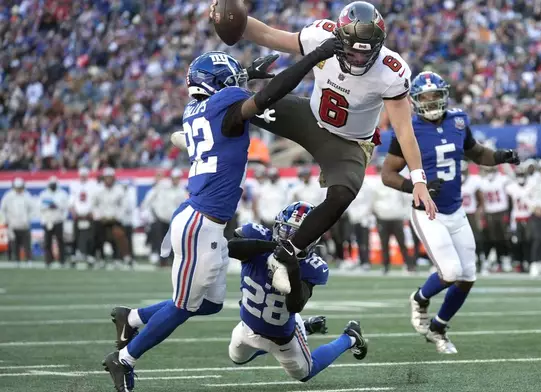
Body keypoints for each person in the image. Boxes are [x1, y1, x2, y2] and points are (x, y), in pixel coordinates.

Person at [102, 39, 343, 392]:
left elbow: (229, 100)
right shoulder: (225, 103)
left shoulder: (196, 110)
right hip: (201, 220)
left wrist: (248, 73)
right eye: (232, 82)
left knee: (210, 305)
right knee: (185, 306)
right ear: (221, 86)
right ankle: (124, 359)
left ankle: (132, 317)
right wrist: (313, 58)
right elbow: (268, 96)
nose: (238, 87)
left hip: (205, 219)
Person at [212, 1, 436, 286]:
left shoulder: (391, 71)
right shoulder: (321, 35)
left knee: (343, 194)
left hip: (348, 143)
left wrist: (418, 179)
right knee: (239, 103)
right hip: (309, 116)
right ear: (340, 37)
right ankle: (203, 137)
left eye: (364, 53)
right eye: (351, 49)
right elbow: (269, 35)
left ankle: (287, 253)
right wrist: (234, 17)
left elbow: (404, 130)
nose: (356, 58)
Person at [380, 71, 519, 354]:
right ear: (416, 101)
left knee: (467, 277)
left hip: (456, 210)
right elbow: (388, 174)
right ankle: (419, 298)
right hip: (427, 211)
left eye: (435, 96)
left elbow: (477, 153)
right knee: (451, 271)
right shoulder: (409, 128)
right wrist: (415, 186)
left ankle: (439, 327)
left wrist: (500, 157)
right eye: (425, 98)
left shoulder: (458, 120)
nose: (431, 102)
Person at [228, 201, 367, 382]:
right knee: (236, 359)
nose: (290, 238)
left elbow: (295, 305)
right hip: (247, 328)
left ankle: (350, 337)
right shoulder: (257, 236)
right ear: (277, 226)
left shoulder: (312, 267)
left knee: (304, 373)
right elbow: (231, 248)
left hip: (283, 339)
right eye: (287, 231)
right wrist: (273, 248)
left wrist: (293, 266)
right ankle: (307, 327)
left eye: (298, 234)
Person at [372, 162, 414, 274]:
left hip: (396, 217)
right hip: (383, 217)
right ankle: (385, 266)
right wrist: (377, 213)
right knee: (384, 244)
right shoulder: (376, 184)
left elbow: (405, 199)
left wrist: (403, 213)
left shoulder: (396, 181)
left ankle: (409, 265)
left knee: (402, 243)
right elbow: (372, 201)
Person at [141, 168, 186, 265]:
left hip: (173, 220)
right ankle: (161, 259)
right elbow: (150, 197)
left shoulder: (182, 191)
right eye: (174, 178)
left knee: (173, 240)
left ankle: (172, 259)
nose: (175, 180)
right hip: (160, 218)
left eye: (177, 178)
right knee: (160, 239)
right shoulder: (162, 186)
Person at [93, 168, 131, 268]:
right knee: (97, 235)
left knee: (118, 236)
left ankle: (117, 258)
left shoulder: (119, 190)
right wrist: (100, 216)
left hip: (115, 219)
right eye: (107, 177)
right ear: (104, 178)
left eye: (110, 177)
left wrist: (117, 216)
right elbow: (94, 205)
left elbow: (124, 206)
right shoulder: (98, 190)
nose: (108, 179)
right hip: (102, 220)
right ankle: (99, 258)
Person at [479, 165, 512, 273]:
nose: (489, 172)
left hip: (502, 211)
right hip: (489, 213)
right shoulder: (482, 182)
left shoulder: (503, 179)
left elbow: (511, 193)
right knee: (490, 238)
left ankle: (504, 259)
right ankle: (490, 261)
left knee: (503, 238)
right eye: (487, 170)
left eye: (491, 169)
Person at [0, 178, 34, 266]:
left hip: (24, 225)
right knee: (14, 244)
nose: (18, 189)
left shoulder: (27, 196)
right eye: (17, 187)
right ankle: (16, 260)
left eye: (20, 187)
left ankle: (29, 260)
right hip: (13, 224)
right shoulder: (8, 196)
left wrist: (28, 219)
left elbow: (32, 209)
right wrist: (6, 220)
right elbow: (3, 209)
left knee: (27, 244)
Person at [506, 165, 532, 274]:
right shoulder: (511, 187)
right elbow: (509, 205)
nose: (521, 177)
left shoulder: (531, 186)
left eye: (522, 174)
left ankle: (527, 261)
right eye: (519, 174)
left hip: (529, 218)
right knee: (517, 242)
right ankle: (518, 262)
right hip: (516, 218)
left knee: (528, 242)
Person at [38, 176, 69, 268]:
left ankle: (62, 260)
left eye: (54, 184)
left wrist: (61, 216)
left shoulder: (62, 194)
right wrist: (48, 207)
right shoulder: (44, 194)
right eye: (51, 184)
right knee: (47, 242)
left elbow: (65, 207)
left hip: (58, 220)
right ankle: (48, 260)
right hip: (47, 221)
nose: (53, 186)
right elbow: (39, 207)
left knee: (60, 241)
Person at [460, 161, 485, 272]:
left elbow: (481, 199)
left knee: (476, 238)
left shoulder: (474, 181)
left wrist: (479, 211)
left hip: (471, 213)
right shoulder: (451, 181)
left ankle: (480, 261)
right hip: (458, 214)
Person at [69, 168, 97, 267]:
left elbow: (95, 199)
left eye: (85, 175)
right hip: (79, 215)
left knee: (90, 236)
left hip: (89, 215)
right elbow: (71, 201)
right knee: (76, 236)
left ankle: (90, 255)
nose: (83, 177)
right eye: (82, 175)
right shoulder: (74, 185)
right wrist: (73, 212)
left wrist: (92, 212)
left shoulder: (93, 184)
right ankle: (76, 255)